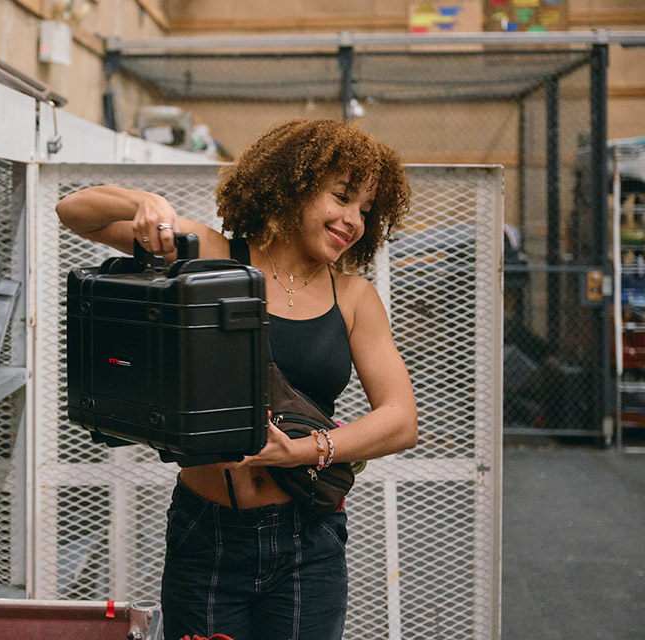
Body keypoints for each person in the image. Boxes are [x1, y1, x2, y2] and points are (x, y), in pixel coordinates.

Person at [56, 118, 418, 640]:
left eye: (365, 209)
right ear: (293, 185)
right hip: (206, 532)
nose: (354, 219)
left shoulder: (354, 297)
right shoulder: (212, 255)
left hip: (306, 543)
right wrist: (144, 201)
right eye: (341, 197)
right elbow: (75, 211)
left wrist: (303, 451)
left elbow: (401, 420)